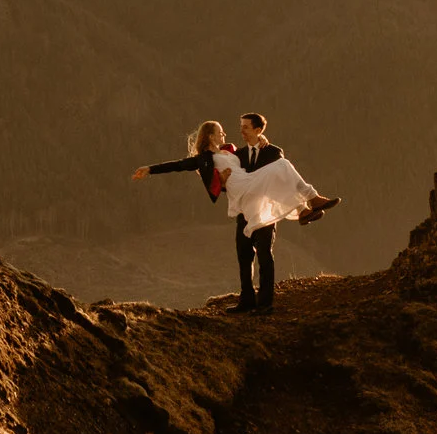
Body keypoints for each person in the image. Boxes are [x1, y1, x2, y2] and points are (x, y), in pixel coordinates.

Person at [132, 112, 340, 314]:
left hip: (254, 194)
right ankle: (309, 202)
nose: (227, 134)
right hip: (244, 189)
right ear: (211, 136)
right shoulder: (206, 158)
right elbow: (178, 165)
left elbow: (270, 172)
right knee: (245, 254)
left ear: (257, 130)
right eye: (220, 132)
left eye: (245, 127)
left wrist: (261, 140)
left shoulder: (232, 151)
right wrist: (150, 169)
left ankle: (305, 209)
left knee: (281, 171)